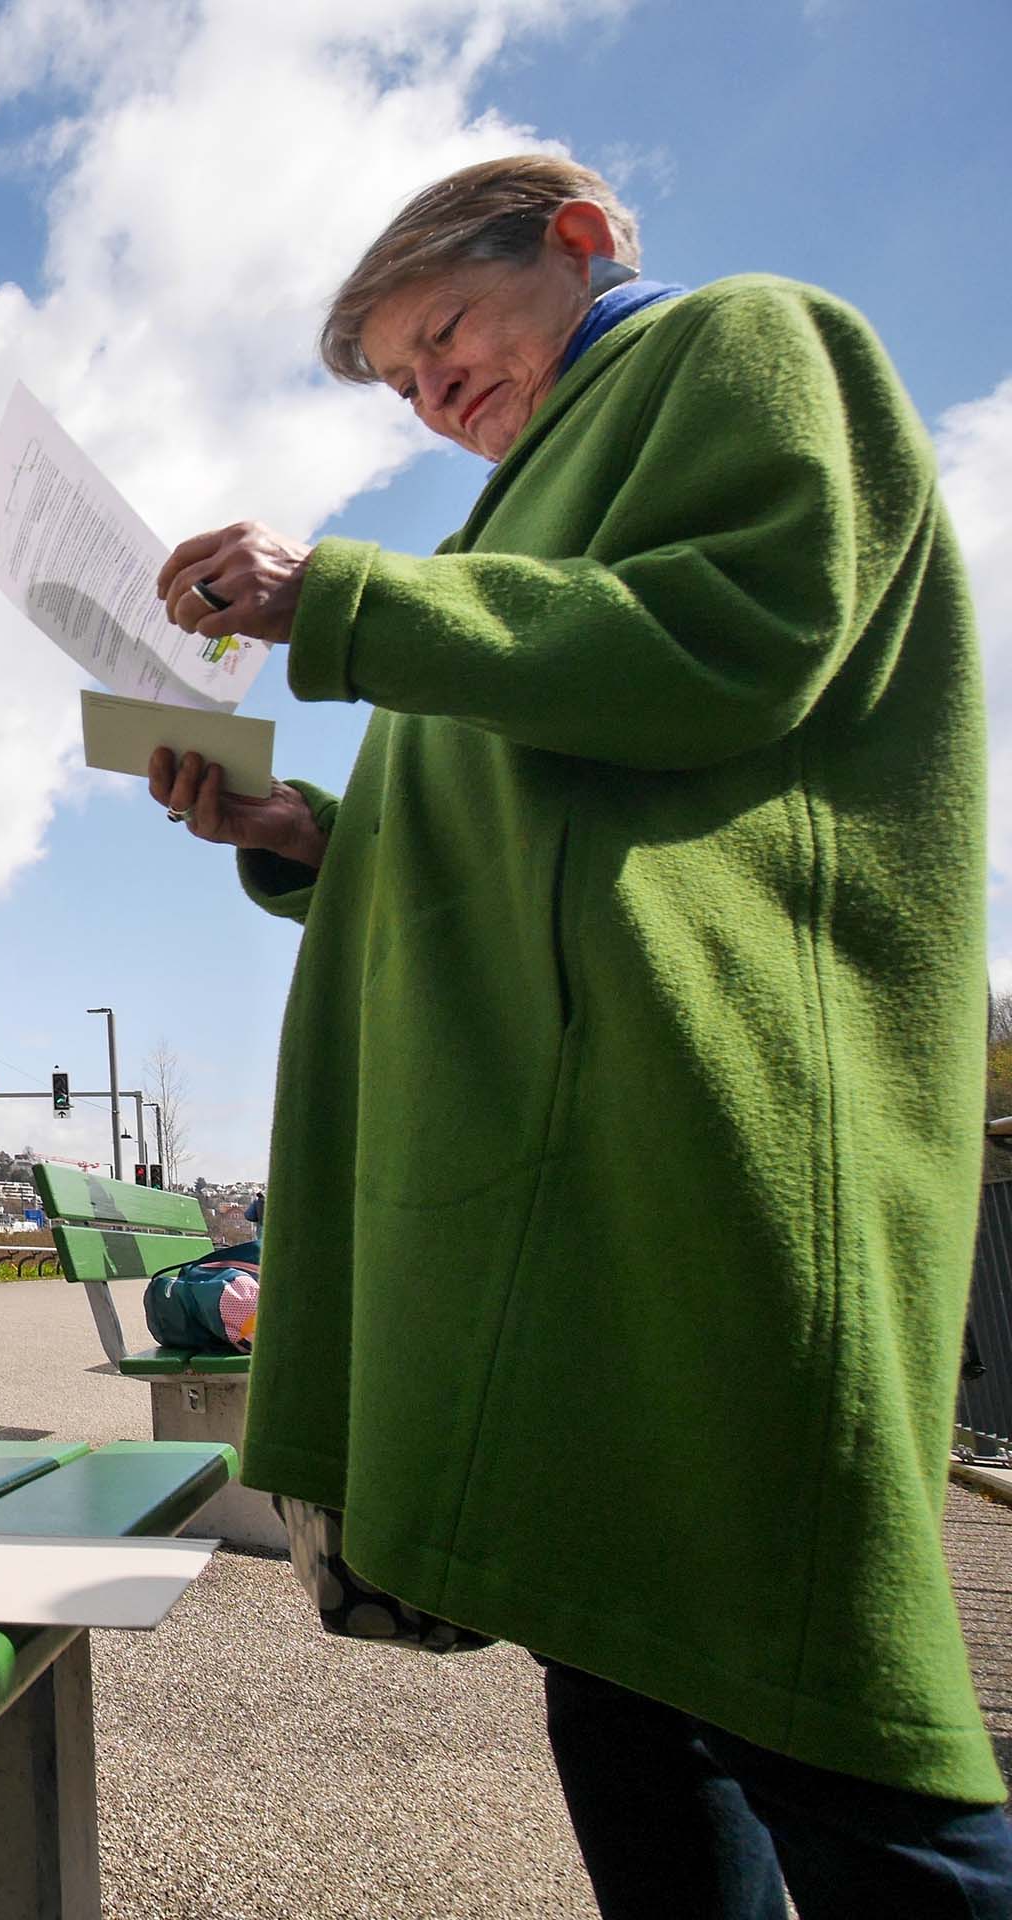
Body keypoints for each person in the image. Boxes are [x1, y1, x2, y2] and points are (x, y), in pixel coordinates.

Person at [146, 154, 1005, 1913]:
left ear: (584, 239)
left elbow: (739, 635)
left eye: (443, 334)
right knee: (621, 1677)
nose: (435, 393)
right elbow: (512, 818)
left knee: (818, 1702)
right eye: (400, 381)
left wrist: (347, 600)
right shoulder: (504, 531)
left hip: (708, 1111)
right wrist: (303, 836)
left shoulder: (749, 340)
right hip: (578, 1148)